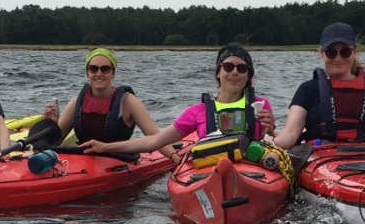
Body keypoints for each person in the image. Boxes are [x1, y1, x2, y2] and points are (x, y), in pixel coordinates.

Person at [82, 43, 277, 156]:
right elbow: (155, 141)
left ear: (248, 76)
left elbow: (270, 141)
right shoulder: (198, 111)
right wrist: (105, 147)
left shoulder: (259, 105)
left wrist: (270, 130)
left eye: (241, 69)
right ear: (218, 72)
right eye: (228, 67)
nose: (234, 72)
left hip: (250, 170)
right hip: (212, 172)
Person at [43, 47, 178, 160]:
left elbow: (155, 137)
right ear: (87, 73)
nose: (99, 73)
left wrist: (174, 157)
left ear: (113, 73)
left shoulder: (129, 102)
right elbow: (54, 142)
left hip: (118, 160)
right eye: (93, 69)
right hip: (83, 159)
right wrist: (51, 124)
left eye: (105, 69)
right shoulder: (76, 103)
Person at [273, 23, 365, 149]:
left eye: (345, 52)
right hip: (320, 157)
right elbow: (290, 134)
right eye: (331, 53)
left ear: (354, 51)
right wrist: (269, 142)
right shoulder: (307, 89)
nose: (338, 58)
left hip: (363, 155)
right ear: (322, 54)